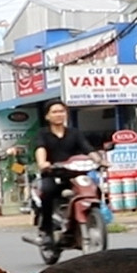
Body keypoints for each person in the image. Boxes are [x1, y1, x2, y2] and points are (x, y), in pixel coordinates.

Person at [31, 101, 99, 246]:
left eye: (61, 111)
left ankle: (89, 219)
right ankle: (46, 231)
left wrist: (100, 160)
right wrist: (43, 163)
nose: (59, 115)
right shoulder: (43, 133)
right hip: (53, 174)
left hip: (75, 174)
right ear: (47, 116)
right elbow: (40, 148)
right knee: (48, 192)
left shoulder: (75, 133)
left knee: (93, 188)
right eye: (54, 112)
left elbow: (88, 149)